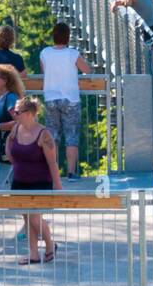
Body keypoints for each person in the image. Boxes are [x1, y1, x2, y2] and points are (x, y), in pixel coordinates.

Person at [7, 96, 62, 263]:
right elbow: (9, 142)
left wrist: (58, 185)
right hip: (19, 181)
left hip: (40, 182)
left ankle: (50, 245)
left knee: (35, 216)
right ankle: (33, 254)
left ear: (30, 113)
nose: (14, 115)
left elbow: (52, 162)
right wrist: (10, 155)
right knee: (27, 217)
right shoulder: (16, 129)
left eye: (17, 112)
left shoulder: (43, 134)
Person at [40, 22, 91, 178]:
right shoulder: (72, 54)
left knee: (53, 136)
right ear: (68, 37)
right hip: (70, 99)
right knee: (71, 136)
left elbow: (44, 71)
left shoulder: (45, 53)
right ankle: (71, 172)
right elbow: (87, 70)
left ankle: (52, 171)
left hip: (50, 98)